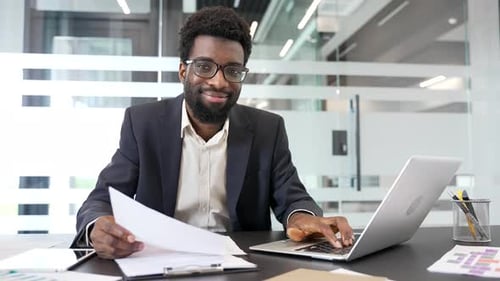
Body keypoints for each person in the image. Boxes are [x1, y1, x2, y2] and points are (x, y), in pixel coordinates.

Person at [72, 6, 354, 259]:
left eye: (232, 70)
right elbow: (100, 200)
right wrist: (98, 227)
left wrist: (301, 218)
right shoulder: (143, 123)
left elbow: (292, 196)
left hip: (243, 264)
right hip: (159, 261)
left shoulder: (268, 129)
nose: (219, 82)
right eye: (205, 67)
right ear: (183, 71)